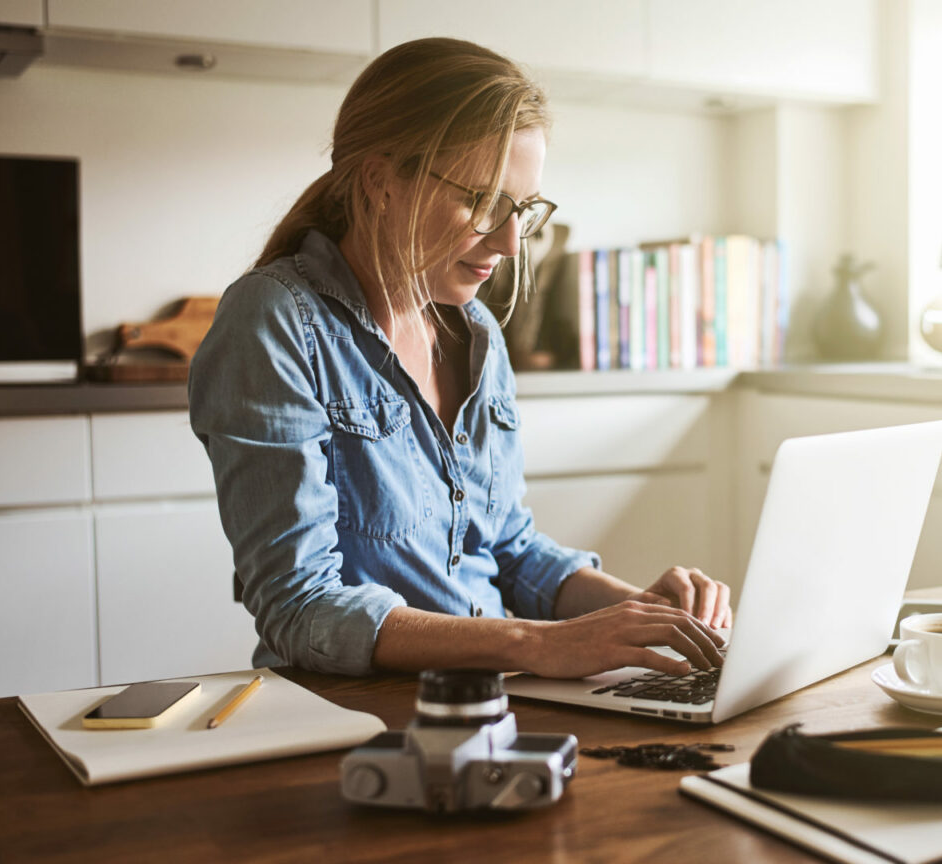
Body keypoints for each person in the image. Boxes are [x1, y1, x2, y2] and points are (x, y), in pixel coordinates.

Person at [189, 38, 730, 681]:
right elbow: (300, 606)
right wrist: (537, 645)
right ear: (381, 182)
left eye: (522, 211)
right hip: (353, 714)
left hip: (495, 699)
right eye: (481, 202)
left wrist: (646, 615)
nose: (508, 242)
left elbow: (509, 550)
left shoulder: (476, 334)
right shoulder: (276, 321)